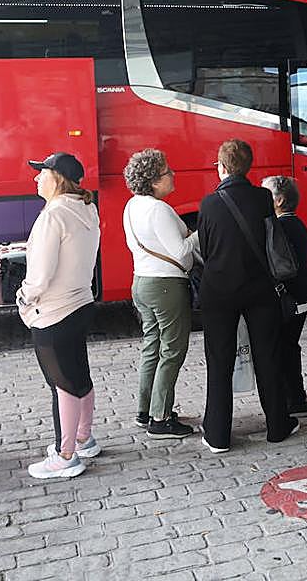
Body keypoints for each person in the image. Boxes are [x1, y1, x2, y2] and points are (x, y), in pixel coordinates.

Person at [197, 139, 297, 453]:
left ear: (222, 167)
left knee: (219, 360)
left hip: (219, 291)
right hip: (259, 289)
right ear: (248, 166)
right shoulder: (263, 198)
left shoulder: (209, 203)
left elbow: (205, 245)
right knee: (267, 356)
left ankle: (217, 435)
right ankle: (278, 427)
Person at [19, 152, 102, 478]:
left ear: (57, 178)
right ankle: (84, 437)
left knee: (62, 383)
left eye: (42, 173)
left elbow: (40, 275)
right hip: (80, 302)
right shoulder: (87, 208)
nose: (37, 178)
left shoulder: (53, 216)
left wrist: (23, 297)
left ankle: (66, 455)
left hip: (52, 311)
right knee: (79, 374)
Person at [122, 149, 196, 440]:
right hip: (166, 286)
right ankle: (161, 418)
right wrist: (200, 233)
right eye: (167, 172)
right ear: (153, 181)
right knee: (172, 350)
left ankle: (146, 409)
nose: (173, 174)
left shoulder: (132, 205)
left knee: (151, 346)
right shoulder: (159, 209)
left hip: (141, 282)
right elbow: (181, 253)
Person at [262, 176, 307, 418]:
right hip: (303, 294)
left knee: (285, 347)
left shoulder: (281, 227)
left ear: (279, 200)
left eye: (266, 194)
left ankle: (295, 399)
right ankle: (296, 394)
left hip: (291, 297)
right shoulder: (296, 223)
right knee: (290, 345)